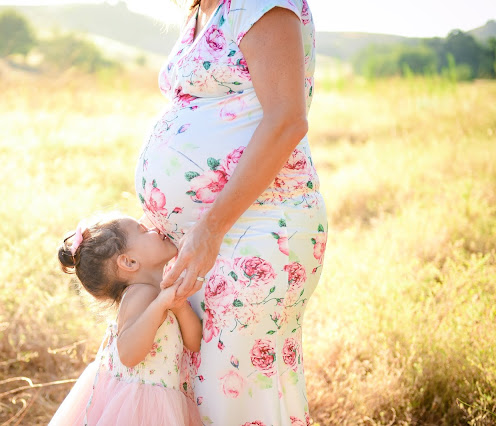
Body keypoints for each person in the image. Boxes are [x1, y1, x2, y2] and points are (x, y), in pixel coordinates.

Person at [134, 0, 327, 424]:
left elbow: (287, 120)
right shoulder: (204, 9)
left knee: (241, 400)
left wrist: (210, 229)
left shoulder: (262, 5)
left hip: (256, 228)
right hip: (200, 237)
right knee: (204, 390)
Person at [49, 215, 203, 426]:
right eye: (143, 230)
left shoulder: (158, 292)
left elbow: (194, 343)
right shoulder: (140, 294)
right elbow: (129, 354)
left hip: (163, 398)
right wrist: (160, 305)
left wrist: (179, 305)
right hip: (142, 406)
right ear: (129, 262)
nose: (154, 228)